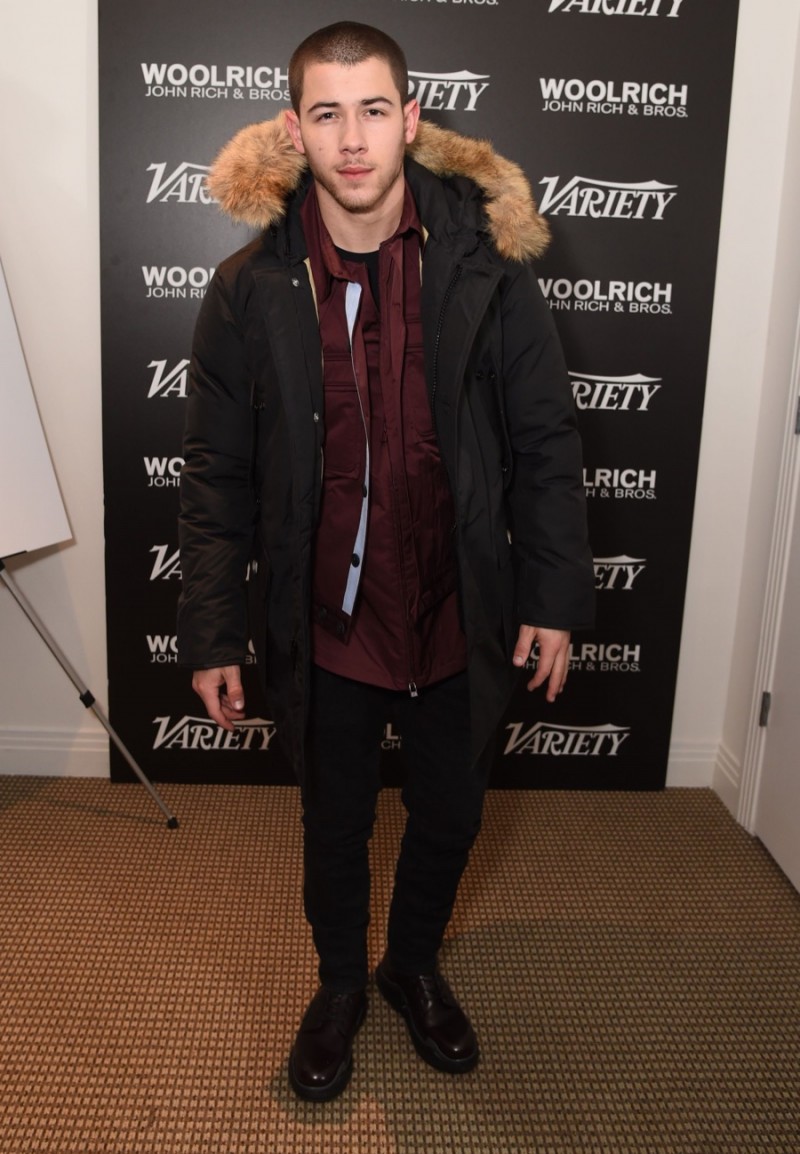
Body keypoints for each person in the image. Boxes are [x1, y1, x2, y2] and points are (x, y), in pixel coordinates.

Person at [178, 21, 594, 1102]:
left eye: (373, 110)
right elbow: (214, 473)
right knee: (335, 823)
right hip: (326, 618)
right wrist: (215, 628)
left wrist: (551, 594)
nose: (352, 138)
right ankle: (336, 987)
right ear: (293, 129)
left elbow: (546, 439)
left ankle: (409, 965)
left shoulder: (484, 263)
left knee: (452, 814)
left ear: (409, 119)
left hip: (460, 603)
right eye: (326, 112)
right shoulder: (247, 287)